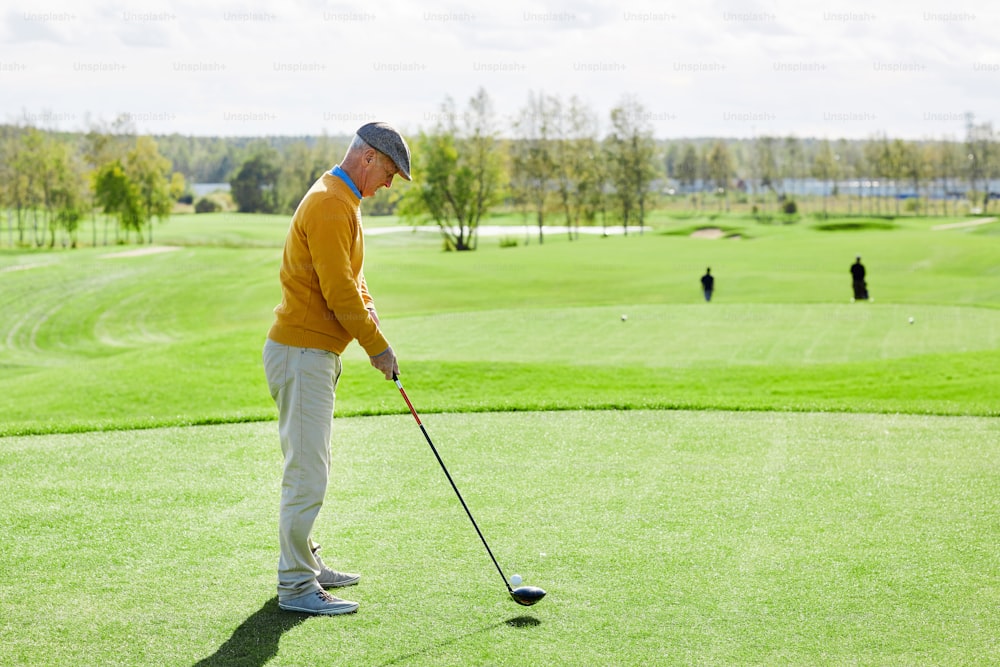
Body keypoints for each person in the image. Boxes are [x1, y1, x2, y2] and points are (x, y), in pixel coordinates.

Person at [262, 122, 411, 615]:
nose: (388, 184)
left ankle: (305, 563)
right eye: (389, 172)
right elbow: (338, 292)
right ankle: (297, 586)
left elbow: (355, 281)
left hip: (313, 355)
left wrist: (375, 330)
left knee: (312, 465)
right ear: (367, 158)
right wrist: (377, 348)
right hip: (302, 354)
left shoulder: (344, 202)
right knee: (307, 474)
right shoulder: (330, 203)